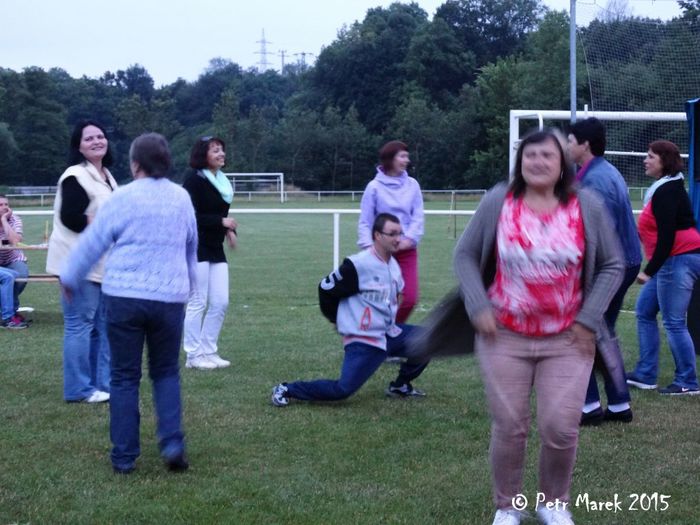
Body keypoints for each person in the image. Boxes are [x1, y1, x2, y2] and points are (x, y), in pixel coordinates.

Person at [454, 129, 623, 525]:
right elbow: (464, 255)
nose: (538, 162)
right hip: (503, 336)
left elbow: (613, 264)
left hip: (567, 339)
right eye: (530, 155)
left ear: (562, 163)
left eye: (547, 155)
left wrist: (588, 319)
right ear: (520, 162)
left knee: (560, 428)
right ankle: (507, 506)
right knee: (510, 426)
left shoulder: (586, 205)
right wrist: (477, 304)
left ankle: (554, 503)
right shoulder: (499, 200)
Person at [61, 133, 198, 474]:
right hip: (169, 299)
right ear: (166, 162)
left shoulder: (121, 197)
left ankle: (124, 456)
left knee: (123, 376)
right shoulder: (181, 197)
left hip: (123, 296)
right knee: (165, 372)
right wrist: (190, 286)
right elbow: (190, 246)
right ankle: (172, 443)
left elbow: (94, 241)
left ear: (135, 164)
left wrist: (70, 276)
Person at [271, 213, 430, 407]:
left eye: (400, 233)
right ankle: (287, 389)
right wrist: (336, 319)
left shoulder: (393, 264)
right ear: (377, 235)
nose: (398, 239)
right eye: (392, 234)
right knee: (342, 390)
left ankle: (400, 386)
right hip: (365, 339)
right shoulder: (358, 264)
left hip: (389, 333)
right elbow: (325, 288)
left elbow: (398, 294)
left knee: (429, 340)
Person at [568, 118, 641, 425]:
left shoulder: (594, 181)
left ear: (585, 145)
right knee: (603, 332)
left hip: (610, 266)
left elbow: (599, 233)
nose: (567, 146)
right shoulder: (604, 172)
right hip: (625, 261)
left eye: (570, 141)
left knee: (581, 330)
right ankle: (619, 404)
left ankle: (589, 407)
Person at [46, 120, 117, 403]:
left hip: (101, 264)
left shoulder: (107, 176)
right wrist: (105, 222)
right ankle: (78, 389)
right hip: (77, 264)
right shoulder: (74, 175)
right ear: (78, 146)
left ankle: (101, 384)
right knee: (80, 324)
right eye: (89, 139)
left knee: (101, 327)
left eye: (100, 136)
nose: (97, 141)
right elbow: (71, 218)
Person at [627, 140, 700, 396]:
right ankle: (646, 374)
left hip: (677, 259)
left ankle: (687, 382)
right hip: (674, 259)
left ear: (664, 161)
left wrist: (648, 270)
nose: (645, 160)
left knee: (673, 322)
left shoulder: (667, 191)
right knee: (644, 311)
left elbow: (667, 237)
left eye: (650, 157)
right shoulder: (665, 187)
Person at [182, 136, 237, 370]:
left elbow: (221, 215)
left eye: (222, 150)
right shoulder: (193, 179)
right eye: (215, 150)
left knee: (221, 302)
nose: (221, 154)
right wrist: (221, 222)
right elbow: (189, 216)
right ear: (202, 154)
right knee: (197, 301)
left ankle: (208, 350)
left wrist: (229, 230)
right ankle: (193, 356)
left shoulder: (222, 181)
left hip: (215, 246)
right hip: (196, 246)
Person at [358, 141, 424, 324]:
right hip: (381, 253)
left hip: (406, 251)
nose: (407, 160)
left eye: (407, 156)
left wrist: (409, 239)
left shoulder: (413, 185)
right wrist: (369, 248)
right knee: (380, 299)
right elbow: (365, 222)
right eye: (402, 156)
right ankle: (375, 333)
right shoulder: (374, 187)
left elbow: (418, 217)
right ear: (390, 159)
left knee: (409, 299)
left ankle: (389, 330)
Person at [0, 194, 29, 329]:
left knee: (20, 276)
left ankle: (10, 311)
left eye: (6, 204)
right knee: (8, 277)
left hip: (13, 258)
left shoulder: (15, 219)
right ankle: (9, 315)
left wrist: (4, 221)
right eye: (0, 205)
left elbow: (15, 241)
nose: (4, 207)